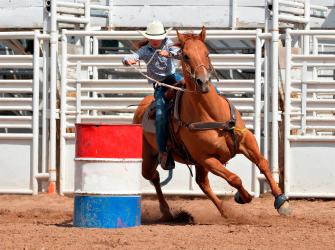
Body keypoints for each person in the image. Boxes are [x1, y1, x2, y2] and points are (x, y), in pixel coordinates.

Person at [122, 20, 182, 170]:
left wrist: (168, 53)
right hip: (160, 85)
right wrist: (128, 60)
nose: (155, 40)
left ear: (162, 37)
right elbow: (131, 56)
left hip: (174, 79)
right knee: (161, 115)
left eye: (158, 37)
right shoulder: (145, 50)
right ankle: (163, 152)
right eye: (152, 37)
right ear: (148, 38)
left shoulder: (168, 43)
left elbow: (180, 53)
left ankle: (218, 94)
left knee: (198, 89)